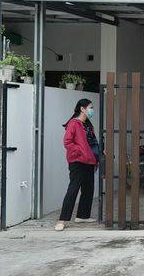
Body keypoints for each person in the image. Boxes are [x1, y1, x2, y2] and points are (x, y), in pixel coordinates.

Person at [55, 98, 100, 231]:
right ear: (82, 109)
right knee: (73, 189)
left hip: (90, 161)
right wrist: (80, 152)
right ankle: (62, 220)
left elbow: (92, 141)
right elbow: (67, 142)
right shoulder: (74, 123)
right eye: (90, 108)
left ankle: (82, 216)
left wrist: (97, 154)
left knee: (88, 189)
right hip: (78, 161)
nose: (92, 110)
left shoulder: (88, 124)